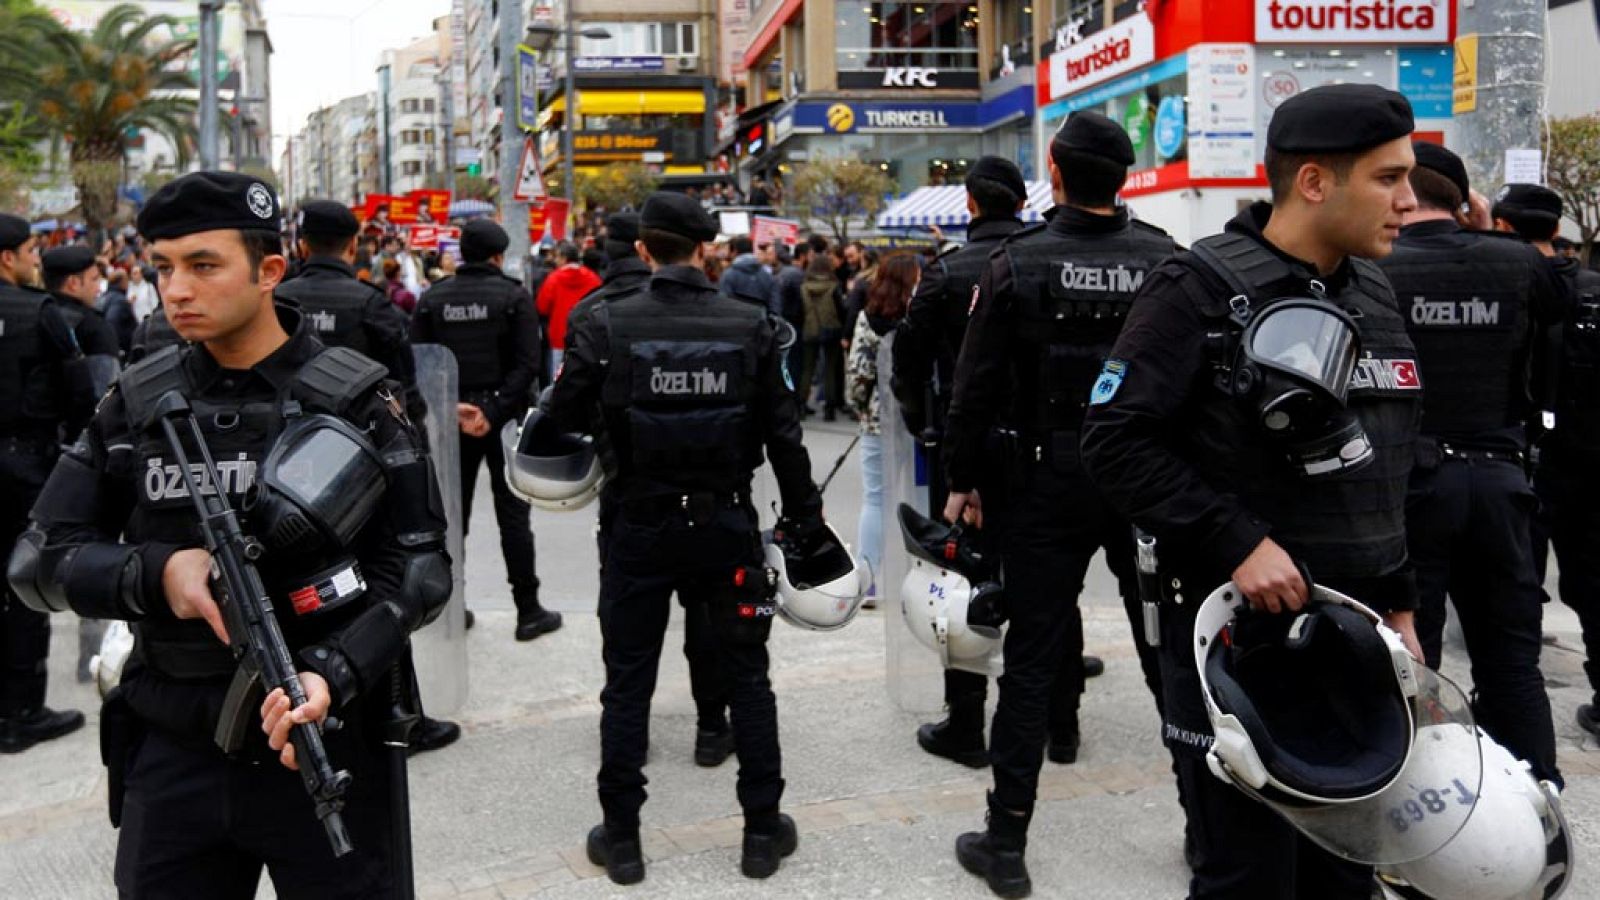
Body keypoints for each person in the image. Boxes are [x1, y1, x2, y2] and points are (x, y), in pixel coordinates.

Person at [11, 172, 451, 895]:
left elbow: (420, 572)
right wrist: (160, 574)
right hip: (174, 746)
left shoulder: (356, 398)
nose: (176, 289)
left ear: (268, 270)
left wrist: (333, 670)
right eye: (163, 267)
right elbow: (37, 561)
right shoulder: (137, 403)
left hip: (323, 738)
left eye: (203, 265)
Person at [1081, 84, 1426, 900]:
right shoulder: (1195, 288)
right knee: (1248, 876)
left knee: (1346, 873)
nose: (1410, 201)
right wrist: (1237, 540)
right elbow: (1114, 440)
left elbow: (1388, 465)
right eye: (1388, 178)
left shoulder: (1376, 292)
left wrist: (1403, 603)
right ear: (1314, 182)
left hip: (1356, 638)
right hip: (1238, 646)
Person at [547, 192, 824, 885]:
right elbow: (786, 440)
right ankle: (762, 833)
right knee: (748, 677)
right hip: (725, 528)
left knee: (627, 683)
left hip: (636, 528)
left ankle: (623, 841)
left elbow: (557, 419)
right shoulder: (753, 324)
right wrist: (805, 522)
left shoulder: (604, 323)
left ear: (643, 250)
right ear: (705, 249)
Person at [940, 112, 1175, 898]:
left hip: (1045, 481)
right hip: (1144, 480)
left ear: (1055, 170)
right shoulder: (1167, 261)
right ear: (1126, 175)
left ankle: (1006, 842)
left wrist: (962, 479)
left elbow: (973, 387)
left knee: (1031, 661)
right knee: (1169, 658)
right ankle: (1208, 828)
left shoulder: (1016, 262)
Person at [1375, 147, 1567, 791]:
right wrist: (1485, 235)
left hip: (1410, 490)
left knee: (1410, 662)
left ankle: (1414, 807)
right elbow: (1556, 306)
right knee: (1511, 662)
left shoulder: (1375, 267)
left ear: (1402, 193)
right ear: (1464, 201)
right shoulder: (1516, 261)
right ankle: (1536, 804)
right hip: (1501, 483)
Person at [563, 211, 736, 768]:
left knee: (626, 628)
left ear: (643, 249)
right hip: (710, 501)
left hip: (630, 498)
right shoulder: (723, 313)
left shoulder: (594, 314)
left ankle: (628, 738)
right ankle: (712, 727)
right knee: (708, 619)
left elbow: (566, 408)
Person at [888, 156, 1040, 767]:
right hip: (1042, 448)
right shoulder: (1038, 260)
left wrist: (922, 427)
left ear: (971, 205)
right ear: (1021, 204)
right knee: (1043, 579)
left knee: (962, 581)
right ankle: (1054, 719)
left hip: (967, 448)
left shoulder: (947, 272)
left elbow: (907, 359)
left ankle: (968, 722)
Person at [412, 219, 560, 642]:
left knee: (450, 519)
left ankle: (450, 611)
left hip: (451, 418)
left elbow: (418, 360)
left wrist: (454, 408)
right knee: (513, 517)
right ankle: (528, 611)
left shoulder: (433, 298)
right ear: (498, 256)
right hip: (504, 418)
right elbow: (528, 365)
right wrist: (492, 410)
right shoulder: (513, 297)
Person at [1495, 185, 1600, 737]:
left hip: (1519, 462)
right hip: (1589, 466)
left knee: (1513, 593)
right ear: (1557, 230)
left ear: (1503, 227)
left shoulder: (1502, 287)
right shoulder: (1592, 288)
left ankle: (1512, 715)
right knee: (1593, 585)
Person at [0, 214, 89, 753]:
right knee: (25, 585)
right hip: (25, 466)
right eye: (32, 250)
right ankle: (21, 712)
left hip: (25, 461)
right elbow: (79, 392)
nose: (37, 259)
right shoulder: (40, 311)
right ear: (7, 257)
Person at [846, 254, 919, 600]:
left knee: (876, 498)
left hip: (878, 420)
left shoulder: (868, 319)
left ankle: (869, 578)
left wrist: (861, 408)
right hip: (919, 422)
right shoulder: (921, 318)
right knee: (919, 497)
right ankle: (922, 579)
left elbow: (858, 373)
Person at [535, 241, 602, 377]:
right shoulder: (593, 278)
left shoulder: (553, 279)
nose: (555, 261)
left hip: (559, 336)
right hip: (587, 336)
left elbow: (542, 307)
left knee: (557, 375)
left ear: (564, 258)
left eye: (557, 257)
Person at [800, 254, 845, 420]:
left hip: (809, 329)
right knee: (830, 369)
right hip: (831, 329)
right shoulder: (834, 286)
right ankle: (829, 409)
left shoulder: (804, 286)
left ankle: (801, 405)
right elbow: (841, 309)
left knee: (807, 369)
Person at [720, 236, 776, 310]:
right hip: (760, 315)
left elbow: (723, 303)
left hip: (736, 315)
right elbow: (774, 304)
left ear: (734, 251)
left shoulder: (729, 274)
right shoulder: (767, 274)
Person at [100, 268, 137, 356]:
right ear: (122, 283)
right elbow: (112, 321)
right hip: (124, 348)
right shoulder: (120, 300)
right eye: (127, 280)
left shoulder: (103, 298)